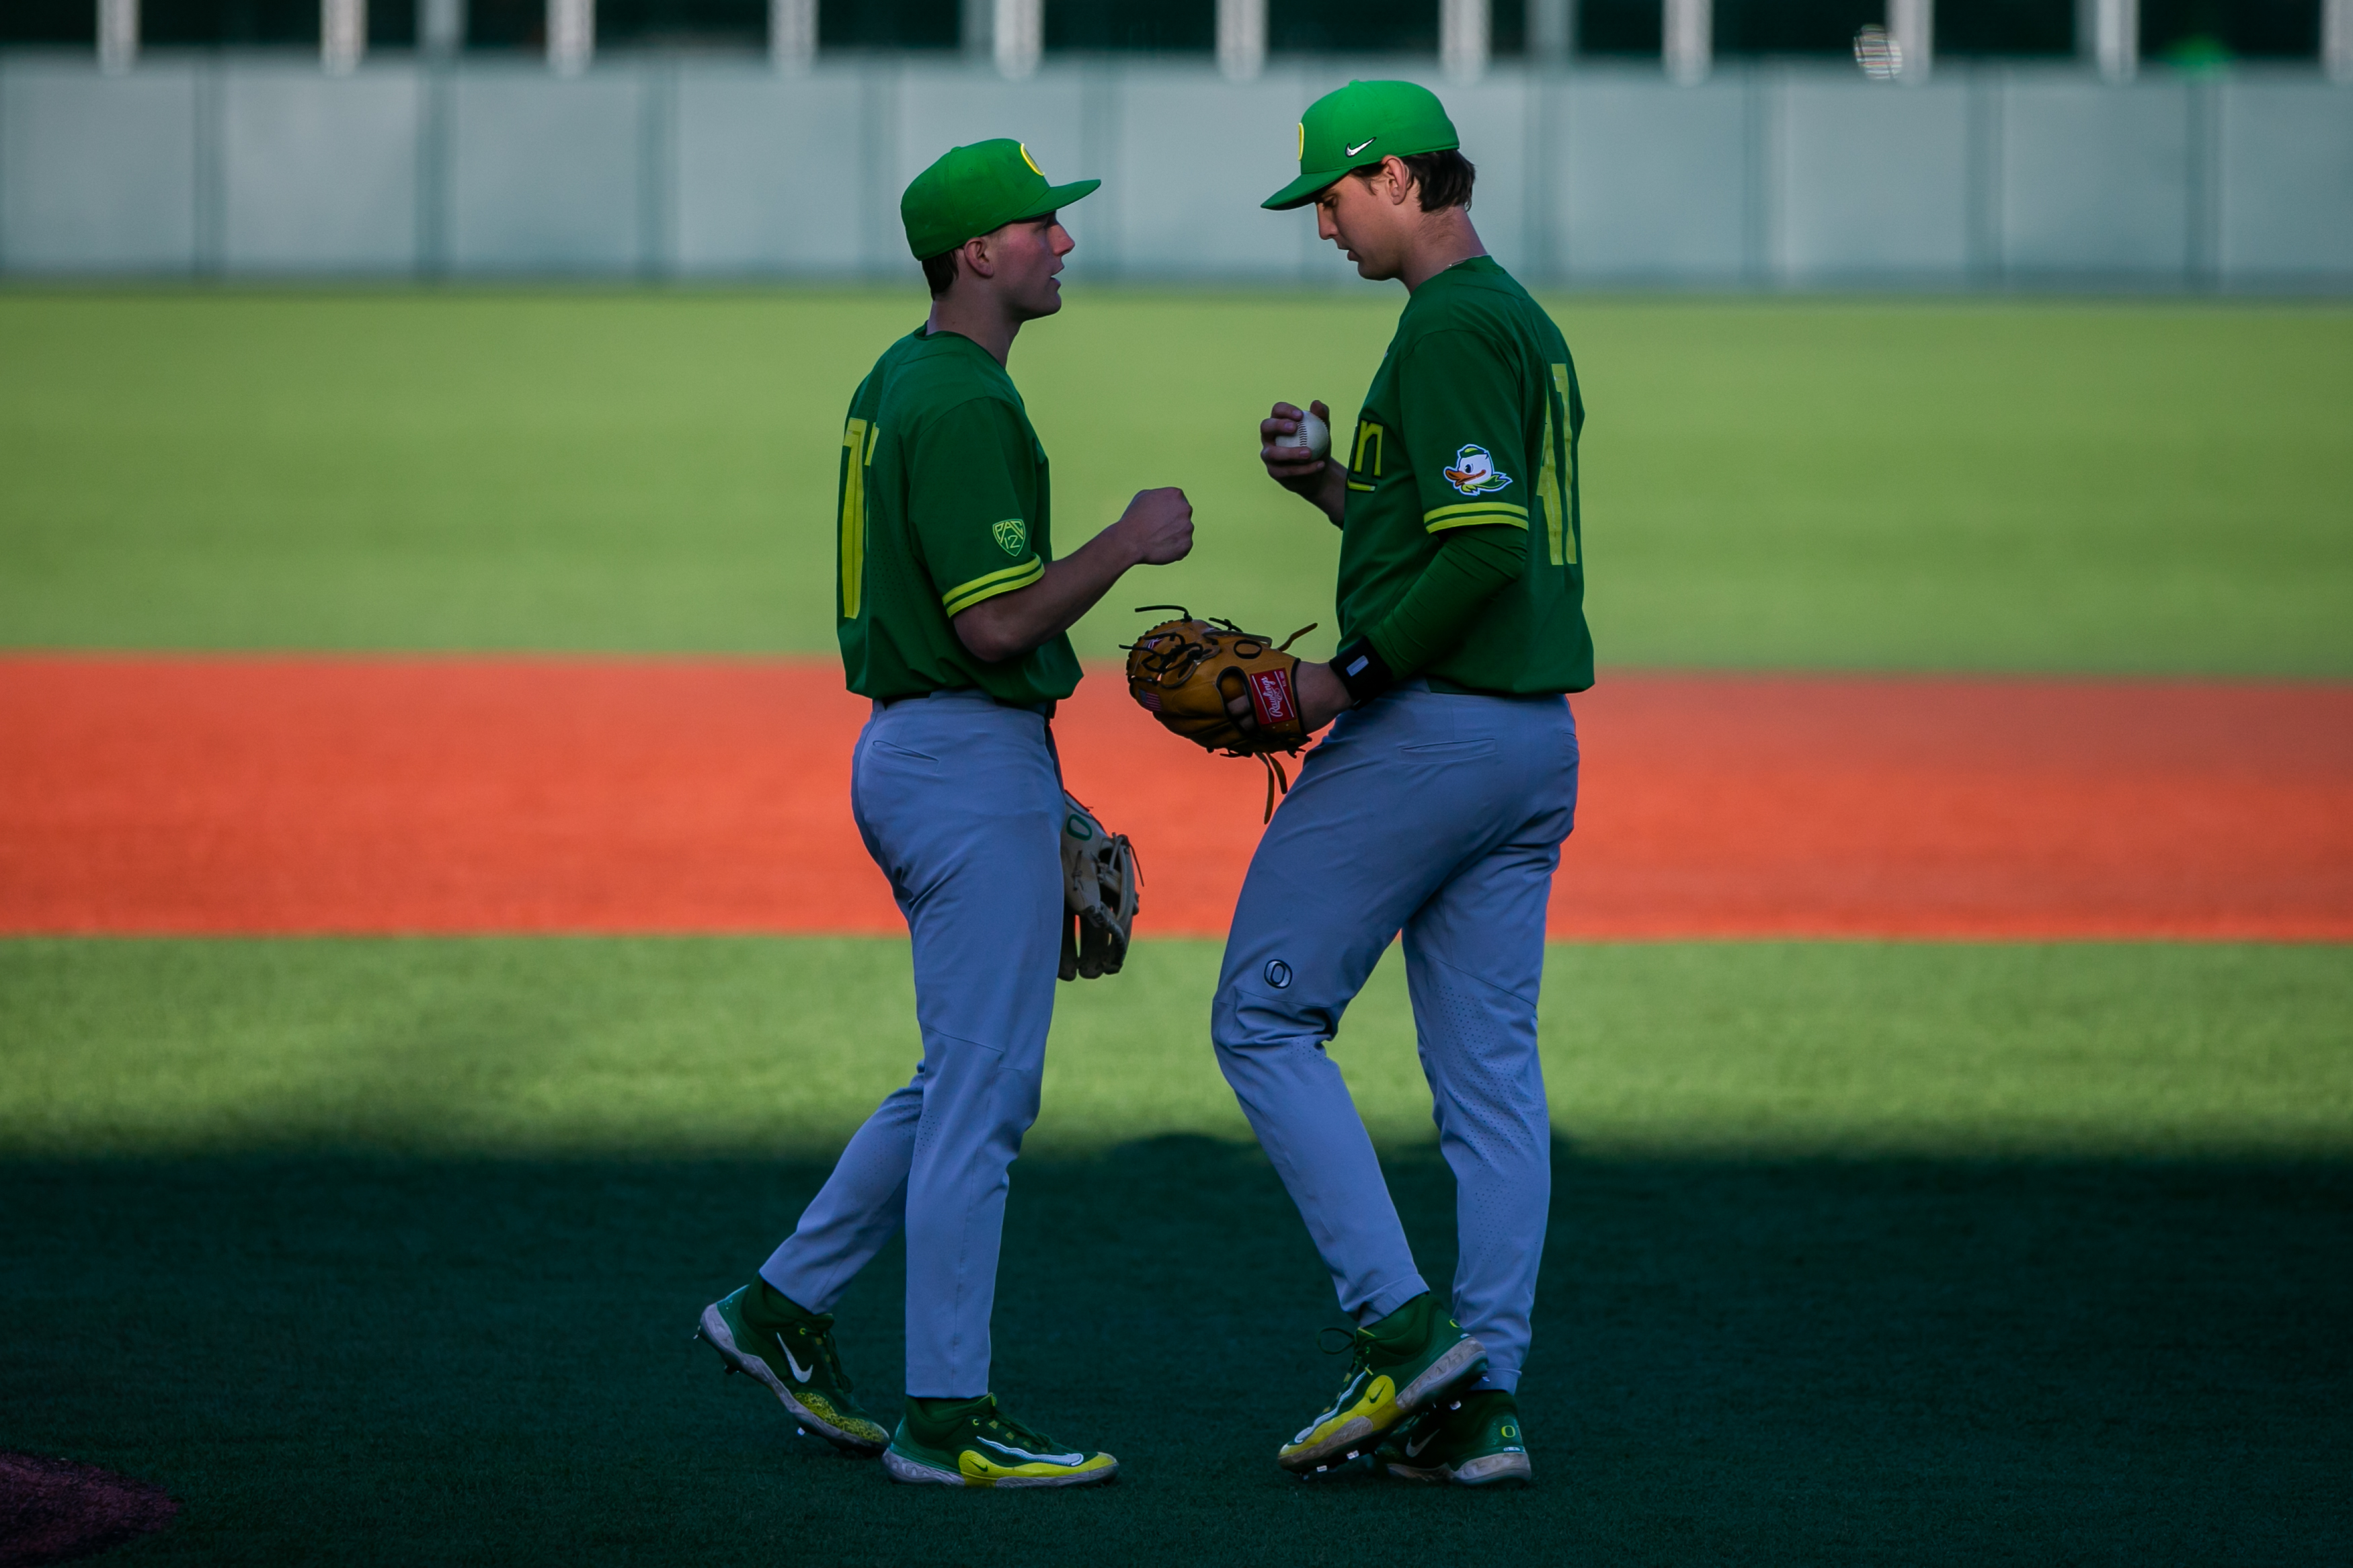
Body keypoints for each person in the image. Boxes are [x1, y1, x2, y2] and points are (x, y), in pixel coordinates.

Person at [696, 138, 1193, 1489]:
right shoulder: (965, 400)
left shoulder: (898, 378)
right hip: (956, 756)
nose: (1063, 245)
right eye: (1041, 227)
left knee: (955, 1078)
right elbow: (992, 626)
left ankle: (779, 1308)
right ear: (978, 253)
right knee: (984, 1097)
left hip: (944, 756)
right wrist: (1127, 540)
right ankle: (946, 1421)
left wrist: (1050, 789)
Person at [1216, 80, 1591, 1487]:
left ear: (1390, 178)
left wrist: (1335, 682)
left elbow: (1482, 553)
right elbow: (1449, 521)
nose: (1319, 223)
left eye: (1326, 194)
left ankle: (1399, 1332)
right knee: (1489, 1085)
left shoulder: (1442, 327)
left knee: (1260, 1018)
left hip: (1429, 732)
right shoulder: (1517, 321)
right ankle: (1481, 1401)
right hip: (1531, 746)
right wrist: (1325, 487)